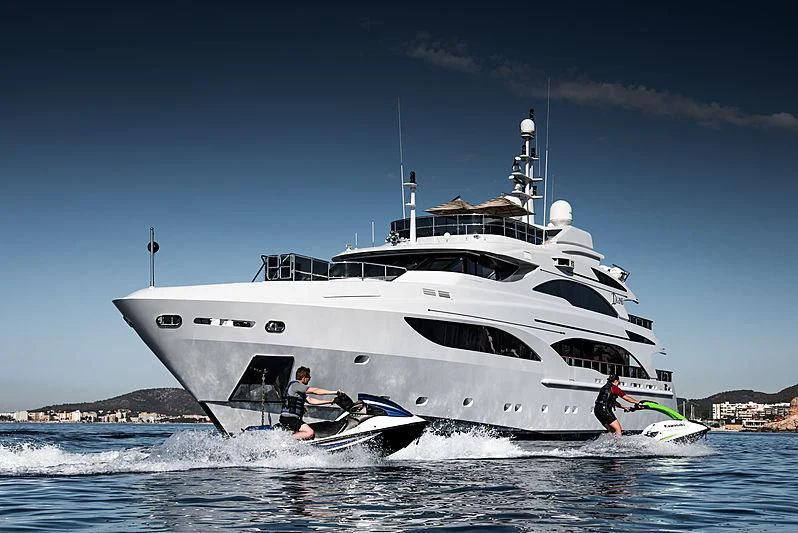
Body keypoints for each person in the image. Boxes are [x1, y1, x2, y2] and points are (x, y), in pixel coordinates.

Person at [279, 366, 339, 440]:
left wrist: (330, 402)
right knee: (309, 432)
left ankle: (290, 442)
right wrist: (335, 392)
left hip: (291, 419)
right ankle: (286, 440)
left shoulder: (299, 391)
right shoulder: (296, 385)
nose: (309, 379)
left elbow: (311, 401)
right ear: (304, 377)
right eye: (309, 377)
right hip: (289, 419)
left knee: (305, 434)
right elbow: (315, 391)